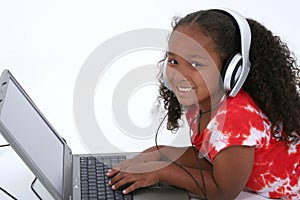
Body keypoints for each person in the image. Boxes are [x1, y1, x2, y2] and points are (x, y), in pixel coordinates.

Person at [106, 8, 300, 200]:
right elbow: (212, 160)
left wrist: (162, 170)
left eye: (196, 64)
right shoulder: (199, 103)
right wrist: (162, 153)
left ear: (231, 71)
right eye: (173, 61)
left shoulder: (237, 119)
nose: (180, 74)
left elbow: (223, 191)